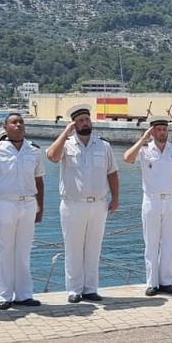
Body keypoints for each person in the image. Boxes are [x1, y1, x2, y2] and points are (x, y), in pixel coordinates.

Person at [46, 103, 119, 304]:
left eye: (87, 119)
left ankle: (90, 288)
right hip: (73, 204)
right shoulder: (66, 145)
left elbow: (112, 172)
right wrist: (65, 133)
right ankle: (74, 289)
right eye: (80, 120)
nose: (85, 123)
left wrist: (116, 197)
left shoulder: (103, 146)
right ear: (74, 124)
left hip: (98, 204)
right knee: (73, 247)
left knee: (94, 247)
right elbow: (51, 156)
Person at [0, 112, 45, 310]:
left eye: (21, 122)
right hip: (5, 204)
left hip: (28, 204)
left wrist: (40, 207)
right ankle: (5, 295)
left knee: (24, 250)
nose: (18, 125)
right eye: (14, 122)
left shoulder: (34, 150)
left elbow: (39, 181)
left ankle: (24, 294)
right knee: (5, 250)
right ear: (5, 127)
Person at [123, 116, 172, 296]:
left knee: (168, 242)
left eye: (164, 129)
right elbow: (127, 158)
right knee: (151, 243)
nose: (162, 132)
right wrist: (143, 139)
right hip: (151, 201)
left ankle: (166, 281)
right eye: (158, 129)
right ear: (152, 131)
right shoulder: (144, 149)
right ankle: (151, 283)